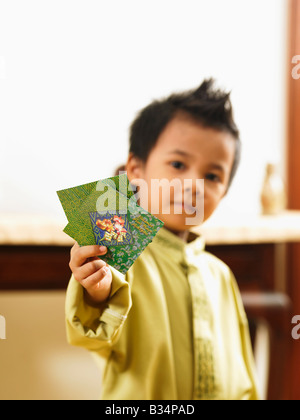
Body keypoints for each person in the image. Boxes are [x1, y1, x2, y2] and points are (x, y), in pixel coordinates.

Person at [66, 79, 259, 400]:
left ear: (224, 191)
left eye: (212, 176)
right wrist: (98, 294)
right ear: (135, 170)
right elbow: (91, 336)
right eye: (178, 165)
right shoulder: (115, 252)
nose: (194, 185)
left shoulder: (221, 274)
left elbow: (244, 374)